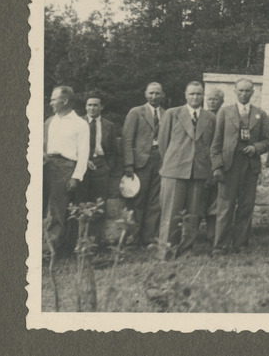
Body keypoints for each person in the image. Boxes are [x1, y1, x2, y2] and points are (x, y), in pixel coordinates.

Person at [157, 82, 216, 260]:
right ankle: (166, 252)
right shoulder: (172, 114)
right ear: (185, 95)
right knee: (171, 213)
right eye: (192, 94)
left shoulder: (210, 118)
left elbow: (212, 144)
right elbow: (163, 143)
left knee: (193, 214)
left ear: (203, 96)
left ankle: (186, 251)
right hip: (174, 170)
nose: (195, 98)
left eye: (199, 94)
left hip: (198, 171)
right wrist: (173, 161)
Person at [211, 78, 269, 254]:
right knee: (225, 207)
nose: (244, 94)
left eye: (247, 91)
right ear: (235, 92)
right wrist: (217, 166)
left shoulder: (260, 114)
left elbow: (268, 141)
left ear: (253, 93)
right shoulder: (224, 112)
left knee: (246, 206)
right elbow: (216, 143)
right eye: (241, 91)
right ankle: (220, 246)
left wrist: (256, 148)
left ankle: (240, 245)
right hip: (230, 165)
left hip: (249, 166)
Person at [43, 86, 90, 256]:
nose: (51, 102)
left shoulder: (80, 124)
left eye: (54, 99)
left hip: (65, 169)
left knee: (57, 209)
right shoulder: (49, 121)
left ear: (65, 101)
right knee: (42, 207)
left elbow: (84, 153)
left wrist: (76, 177)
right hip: (46, 166)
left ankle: (52, 250)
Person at [121, 82, 165, 248]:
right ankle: (132, 239)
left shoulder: (166, 114)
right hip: (140, 162)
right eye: (151, 93)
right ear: (146, 95)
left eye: (157, 93)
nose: (154, 96)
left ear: (162, 95)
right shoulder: (136, 112)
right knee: (137, 201)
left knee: (155, 202)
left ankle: (150, 238)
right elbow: (127, 139)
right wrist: (129, 164)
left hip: (159, 160)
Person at [80, 92, 119, 246]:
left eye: (95, 105)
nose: (92, 108)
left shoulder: (109, 125)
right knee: (82, 204)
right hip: (82, 168)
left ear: (101, 107)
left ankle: (94, 244)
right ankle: (81, 243)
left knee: (99, 205)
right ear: (85, 106)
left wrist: (107, 167)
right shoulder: (79, 123)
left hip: (101, 167)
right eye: (89, 105)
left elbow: (114, 152)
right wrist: (84, 161)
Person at [201, 88, 224, 243]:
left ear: (221, 101)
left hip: (217, 163)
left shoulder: (225, 116)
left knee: (215, 200)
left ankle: (212, 234)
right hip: (201, 164)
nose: (212, 102)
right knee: (197, 200)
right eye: (209, 99)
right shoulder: (200, 116)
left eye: (215, 99)